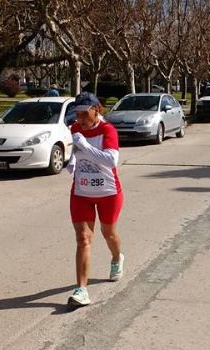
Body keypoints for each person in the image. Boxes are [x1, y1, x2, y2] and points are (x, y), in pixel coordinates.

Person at [66, 92, 124, 306]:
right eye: (77, 114)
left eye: (83, 114)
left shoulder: (107, 130)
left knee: (108, 233)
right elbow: (77, 150)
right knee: (83, 238)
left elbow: (110, 160)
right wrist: (72, 161)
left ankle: (117, 258)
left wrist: (87, 147)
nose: (79, 119)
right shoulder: (75, 129)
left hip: (108, 192)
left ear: (96, 110)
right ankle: (81, 290)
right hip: (81, 192)